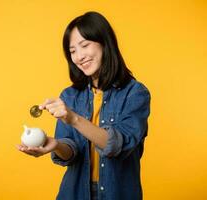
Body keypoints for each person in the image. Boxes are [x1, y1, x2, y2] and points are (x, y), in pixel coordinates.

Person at [17, 11, 150, 200]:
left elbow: (118, 146)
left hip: (118, 193)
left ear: (104, 42)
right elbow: (71, 153)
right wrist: (56, 145)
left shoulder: (135, 94)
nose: (79, 57)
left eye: (84, 45)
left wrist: (73, 118)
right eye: (72, 51)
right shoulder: (69, 96)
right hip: (74, 193)